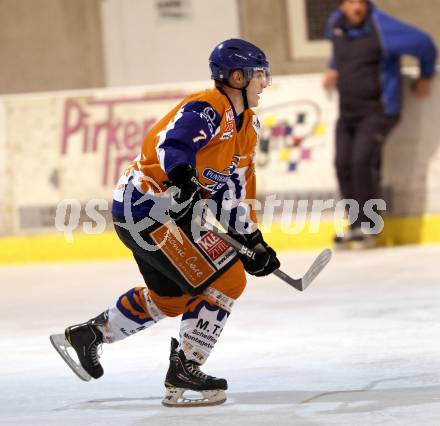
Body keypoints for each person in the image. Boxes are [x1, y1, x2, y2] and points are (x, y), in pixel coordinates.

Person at [50, 39, 280, 407]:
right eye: (259, 75)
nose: (264, 83)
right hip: (148, 211)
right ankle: (185, 369)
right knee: (229, 278)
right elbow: (175, 145)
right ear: (237, 77)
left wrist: (252, 239)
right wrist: (183, 178)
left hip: (149, 212)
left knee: (170, 300)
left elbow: (230, 190)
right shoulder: (208, 107)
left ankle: (92, 334)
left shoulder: (247, 127)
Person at [323, 0, 437, 249]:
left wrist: (426, 76)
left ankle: (369, 227)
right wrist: (333, 68)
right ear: (341, 6)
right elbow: (340, 53)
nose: (357, 8)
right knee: (343, 164)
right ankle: (355, 225)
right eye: (351, 3)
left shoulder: (382, 26)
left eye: (361, 2)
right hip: (349, 111)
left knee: (362, 162)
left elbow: (425, 44)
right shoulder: (335, 25)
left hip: (379, 110)